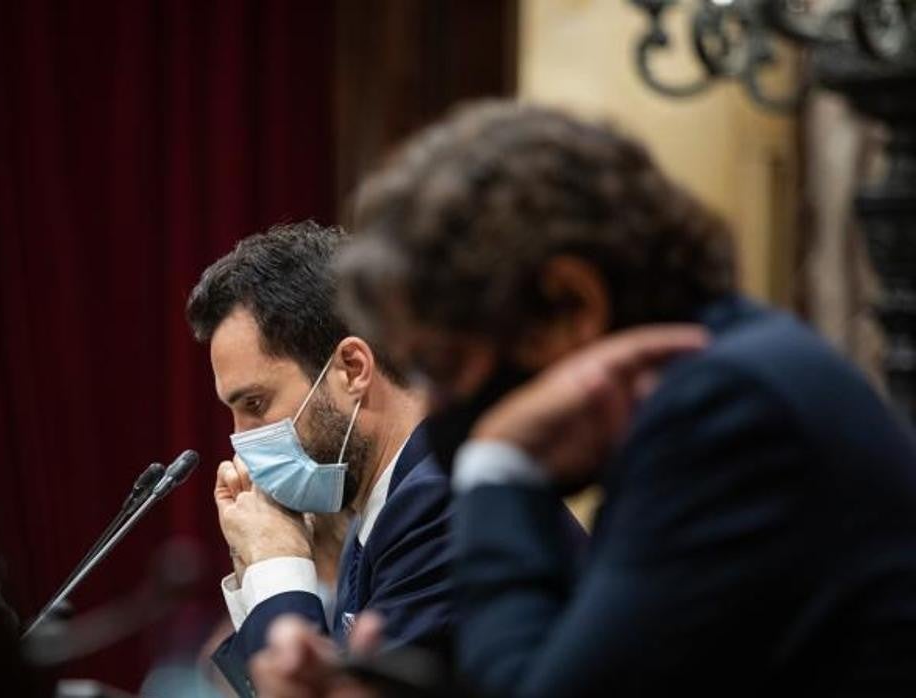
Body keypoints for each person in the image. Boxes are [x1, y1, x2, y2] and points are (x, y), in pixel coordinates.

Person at [292, 100, 916, 696]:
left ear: (571, 303)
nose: (438, 403)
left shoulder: (723, 408)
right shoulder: (727, 373)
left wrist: (499, 467)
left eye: (447, 365)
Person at [185, 222, 457, 697]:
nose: (239, 441)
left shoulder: (442, 501)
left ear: (352, 369)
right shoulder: (372, 519)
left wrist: (277, 567)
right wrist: (256, 568)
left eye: (255, 405)